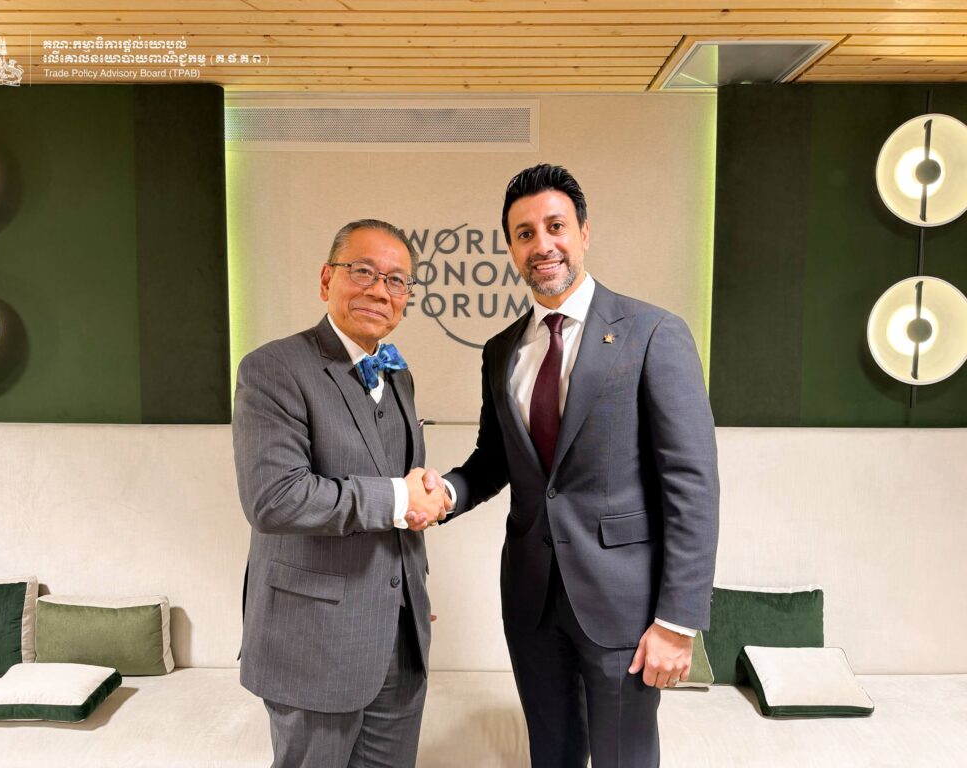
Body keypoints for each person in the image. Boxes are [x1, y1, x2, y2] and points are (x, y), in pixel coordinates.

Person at [423, 165, 719, 768]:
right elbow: (495, 459)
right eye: (524, 233)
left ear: (583, 232)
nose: (543, 244)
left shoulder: (653, 332)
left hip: (624, 605)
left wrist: (678, 620)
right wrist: (445, 493)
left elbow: (692, 485)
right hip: (531, 601)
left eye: (555, 226)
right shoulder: (501, 351)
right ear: (512, 249)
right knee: (551, 756)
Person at [232, 219, 449, 768]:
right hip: (313, 644)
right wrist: (400, 499)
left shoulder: (399, 377)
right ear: (326, 279)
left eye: (396, 281)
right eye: (363, 272)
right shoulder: (273, 368)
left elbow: (397, 490)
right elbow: (275, 498)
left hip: (398, 639)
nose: (379, 290)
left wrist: (411, 591)